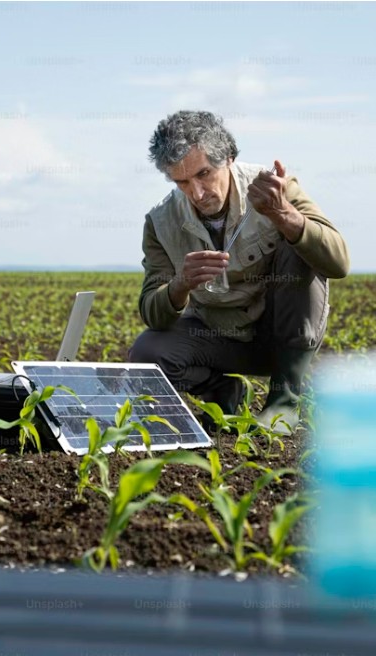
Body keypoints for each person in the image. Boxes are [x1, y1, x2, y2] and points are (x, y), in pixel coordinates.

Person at [128, 111, 350, 432]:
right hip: (219, 339)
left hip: (280, 336)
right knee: (147, 353)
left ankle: (283, 400)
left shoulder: (274, 188)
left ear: (229, 157)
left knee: (298, 242)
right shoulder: (161, 223)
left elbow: (338, 262)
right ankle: (223, 390)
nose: (198, 193)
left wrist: (284, 215)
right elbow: (153, 313)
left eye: (204, 174)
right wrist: (181, 284)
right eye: (182, 182)